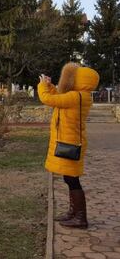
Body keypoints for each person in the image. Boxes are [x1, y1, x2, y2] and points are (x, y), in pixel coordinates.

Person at [37, 63, 99, 229]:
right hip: (71, 140)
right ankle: (73, 212)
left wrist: (43, 85)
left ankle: (80, 217)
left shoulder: (75, 97)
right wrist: (50, 86)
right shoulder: (80, 96)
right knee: (69, 178)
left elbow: (48, 99)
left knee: (72, 180)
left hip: (70, 143)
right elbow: (58, 97)